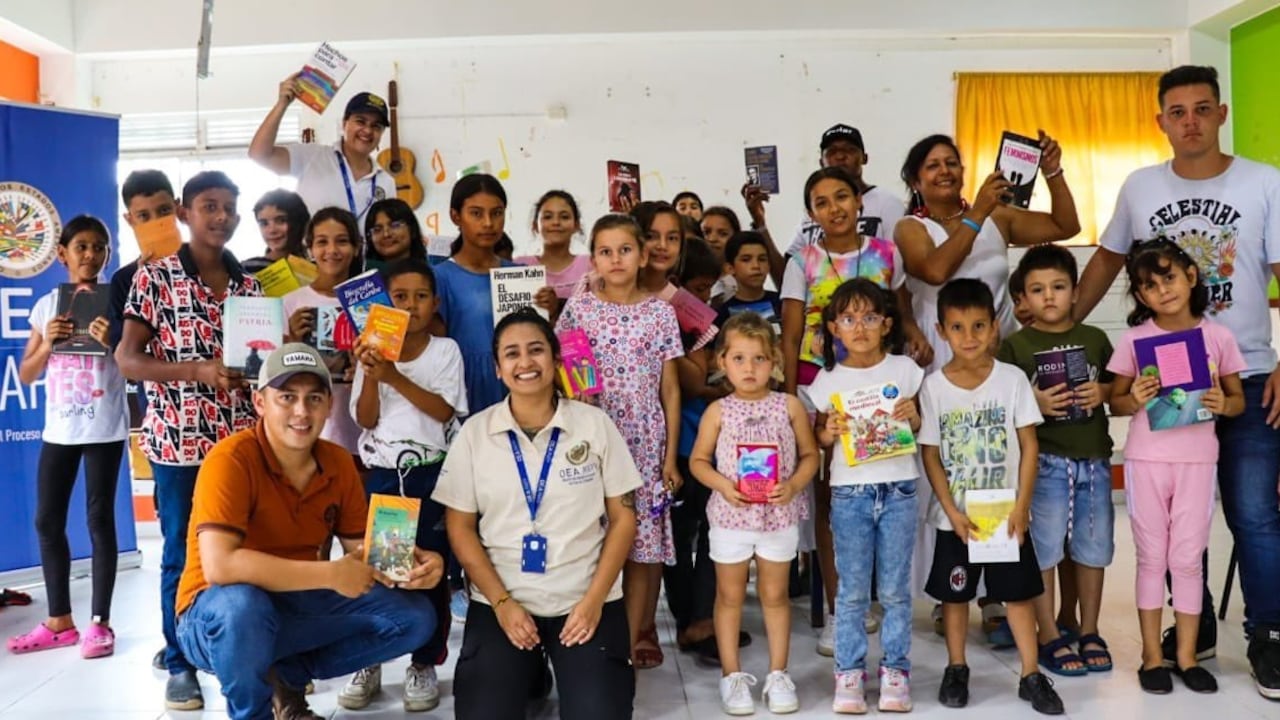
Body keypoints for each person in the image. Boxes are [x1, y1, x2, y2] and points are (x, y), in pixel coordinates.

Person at [1073, 66, 1280, 697]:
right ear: (1160, 121)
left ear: (1221, 114)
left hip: (1247, 375)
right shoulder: (1140, 186)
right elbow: (1108, 258)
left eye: (1202, 108)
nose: (1190, 121)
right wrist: (1061, 322)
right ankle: (1196, 633)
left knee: (1254, 513)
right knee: (1174, 520)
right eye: (1178, 111)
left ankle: (1269, 636)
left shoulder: (1264, 181)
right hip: (1167, 391)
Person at [173, 343, 441, 720]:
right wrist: (330, 574)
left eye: (314, 398)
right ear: (260, 402)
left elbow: (365, 550)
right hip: (211, 613)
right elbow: (221, 567)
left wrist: (414, 565)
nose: (301, 411)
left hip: (294, 601)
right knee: (242, 607)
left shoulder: (337, 462)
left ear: (329, 405)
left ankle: (286, 680)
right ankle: (254, 712)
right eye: (287, 397)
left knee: (415, 617)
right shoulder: (230, 459)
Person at [433, 308, 641, 720]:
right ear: (497, 369)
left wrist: (594, 601)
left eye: (536, 350)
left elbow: (623, 519)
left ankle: (552, 666)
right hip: (503, 599)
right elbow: (460, 527)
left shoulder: (594, 425)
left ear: (556, 359)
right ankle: (529, 672)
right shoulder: (475, 433)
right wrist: (502, 603)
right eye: (512, 354)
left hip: (582, 597)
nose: (525, 362)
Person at [116, 171, 262, 710]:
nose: (221, 217)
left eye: (229, 208)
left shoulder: (250, 288)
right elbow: (127, 359)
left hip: (241, 444)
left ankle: (247, 655)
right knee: (180, 552)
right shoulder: (154, 278)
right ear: (184, 212)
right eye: (209, 206)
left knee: (245, 550)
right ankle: (180, 662)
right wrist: (196, 371)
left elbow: (259, 365)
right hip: (178, 444)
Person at [781, 167, 919, 653]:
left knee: (881, 486)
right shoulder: (801, 261)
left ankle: (876, 597)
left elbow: (902, 313)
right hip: (821, 386)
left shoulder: (885, 253)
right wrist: (788, 398)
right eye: (821, 202)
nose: (834, 208)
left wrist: (916, 339)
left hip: (880, 386)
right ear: (811, 213)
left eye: (842, 196)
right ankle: (842, 606)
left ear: (859, 200)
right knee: (831, 492)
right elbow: (791, 335)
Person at [918, 278, 1064, 715]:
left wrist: (1021, 506)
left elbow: (1030, 446)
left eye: (979, 326)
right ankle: (956, 667)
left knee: (1016, 594)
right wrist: (950, 511)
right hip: (958, 519)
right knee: (955, 596)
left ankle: (1031, 674)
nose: (969, 337)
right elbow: (931, 456)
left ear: (994, 327)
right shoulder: (934, 388)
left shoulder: (1012, 380)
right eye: (957, 328)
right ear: (941, 331)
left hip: (1005, 515)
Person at [1106, 239, 1245, 694]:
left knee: (1187, 559)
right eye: (1149, 285)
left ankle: (1186, 656)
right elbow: (1116, 401)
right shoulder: (1135, 340)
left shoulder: (1218, 337)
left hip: (1197, 461)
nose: (1162, 290)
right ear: (1140, 295)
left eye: (1168, 277)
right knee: (1151, 557)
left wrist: (1223, 403)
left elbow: (1238, 401)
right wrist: (1133, 398)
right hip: (1146, 460)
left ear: (1190, 276)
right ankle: (1152, 656)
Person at [556, 214, 683, 670]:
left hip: (645, 443)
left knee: (642, 548)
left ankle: (628, 645)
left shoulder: (660, 313)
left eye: (625, 250)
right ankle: (590, 642)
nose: (616, 259)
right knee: (595, 539)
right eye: (605, 252)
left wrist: (670, 457)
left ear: (643, 255)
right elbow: (568, 374)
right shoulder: (580, 308)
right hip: (592, 439)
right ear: (593, 259)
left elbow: (671, 390)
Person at [341, 258, 467, 712]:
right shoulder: (372, 351)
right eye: (400, 297)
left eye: (420, 296)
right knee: (382, 571)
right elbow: (365, 418)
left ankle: (424, 662)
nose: (411, 306)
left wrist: (393, 376)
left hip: (431, 475)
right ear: (383, 304)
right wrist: (373, 375)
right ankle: (370, 658)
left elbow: (443, 410)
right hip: (385, 476)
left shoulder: (445, 350)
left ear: (435, 303)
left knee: (427, 573)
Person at [8, 216, 128, 659]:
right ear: (62, 253)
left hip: (103, 427)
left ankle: (100, 623)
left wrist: (113, 339)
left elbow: (134, 363)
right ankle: (59, 620)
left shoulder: (118, 304)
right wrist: (48, 342)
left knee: (99, 519)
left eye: (99, 247)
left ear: (107, 254)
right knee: (47, 520)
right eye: (81, 247)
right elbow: (26, 372)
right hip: (60, 428)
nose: (91, 255)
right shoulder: (46, 307)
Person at [996, 245, 1116, 676]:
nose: (1049, 296)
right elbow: (1001, 406)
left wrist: (1103, 392)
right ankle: (1048, 633)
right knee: (1044, 550)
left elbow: (1119, 393)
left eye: (1059, 287)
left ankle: (1088, 628)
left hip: (1094, 460)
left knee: (1093, 547)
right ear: (1023, 299)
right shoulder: (1015, 347)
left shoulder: (1095, 339)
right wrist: (1034, 403)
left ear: (1076, 291)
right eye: (1037, 289)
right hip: (1044, 462)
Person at [690, 312, 819, 715]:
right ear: (722, 362)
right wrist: (723, 485)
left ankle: (778, 673)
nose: (750, 368)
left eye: (759, 358)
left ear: (774, 361)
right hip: (731, 518)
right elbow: (698, 461)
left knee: (775, 596)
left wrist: (794, 485)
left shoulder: (789, 406)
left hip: (778, 517)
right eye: (739, 358)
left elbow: (810, 455)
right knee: (729, 597)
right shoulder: (718, 411)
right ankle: (732, 675)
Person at [809, 279, 924, 713]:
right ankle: (849, 673)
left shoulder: (905, 370)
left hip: (899, 489)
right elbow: (819, 438)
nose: (859, 327)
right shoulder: (828, 378)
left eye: (870, 317)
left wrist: (912, 417)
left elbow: (919, 426)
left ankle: (895, 670)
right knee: (852, 590)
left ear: (887, 324)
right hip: (850, 492)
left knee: (894, 589)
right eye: (849, 319)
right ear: (834, 328)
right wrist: (829, 430)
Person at [895, 132, 1080, 373]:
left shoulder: (997, 217)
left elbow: (1065, 226)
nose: (945, 171)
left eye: (951, 163)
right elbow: (936, 272)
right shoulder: (910, 227)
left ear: (962, 172)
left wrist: (1052, 172)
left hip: (1000, 348)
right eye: (933, 166)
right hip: (940, 351)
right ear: (915, 182)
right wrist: (978, 213)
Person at [250, 79, 395, 227]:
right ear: (344, 123)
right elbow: (259, 154)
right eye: (360, 121)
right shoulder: (311, 156)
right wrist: (282, 104)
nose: (368, 130)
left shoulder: (386, 181)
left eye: (376, 126)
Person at [433, 174, 518, 415]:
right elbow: (434, 345)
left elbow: (535, 333)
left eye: (497, 213)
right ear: (455, 216)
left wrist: (547, 309)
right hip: (465, 386)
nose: (488, 223)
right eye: (476, 213)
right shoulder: (440, 277)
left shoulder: (519, 275)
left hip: (516, 382)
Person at [283, 208, 364, 452]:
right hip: (307, 431)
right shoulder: (291, 302)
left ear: (357, 247)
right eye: (322, 242)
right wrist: (293, 340)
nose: (332, 250)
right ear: (309, 249)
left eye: (342, 241)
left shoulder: (369, 302)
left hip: (362, 433)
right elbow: (278, 376)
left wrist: (364, 370)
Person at [108, 169, 178, 350]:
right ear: (130, 220)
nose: (156, 221)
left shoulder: (207, 265)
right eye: (143, 216)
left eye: (164, 211)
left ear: (178, 208)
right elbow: (123, 352)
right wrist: (143, 286)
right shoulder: (124, 281)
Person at [515, 190, 592, 315]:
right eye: (547, 217)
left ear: (576, 225)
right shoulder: (519, 266)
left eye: (564, 217)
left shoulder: (591, 265)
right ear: (535, 225)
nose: (556, 222)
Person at [716, 232, 782, 338]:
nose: (756, 266)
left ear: (769, 265)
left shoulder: (783, 304)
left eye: (762, 259)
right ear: (730, 268)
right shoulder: (722, 315)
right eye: (746, 260)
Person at [242, 189, 310, 275]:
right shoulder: (247, 269)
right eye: (264, 223)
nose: (272, 230)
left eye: (281, 220)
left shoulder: (317, 269)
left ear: (300, 223)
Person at [363, 198, 428, 272]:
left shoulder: (432, 273)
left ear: (412, 229)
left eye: (395, 225)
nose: (386, 234)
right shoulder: (363, 276)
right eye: (377, 229)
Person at [701, 206, 743, 302]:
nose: (712, 239)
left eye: (723, 234)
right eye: (706, 232)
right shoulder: (685, 278)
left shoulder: (744, 281)